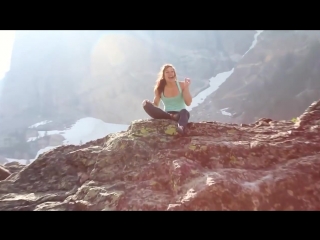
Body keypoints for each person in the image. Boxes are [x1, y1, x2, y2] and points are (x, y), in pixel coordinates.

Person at [142, 64, 192, 134]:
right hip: (166, 115)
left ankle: (181, 127)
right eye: (167, 72)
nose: (170, 74)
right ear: (163, 75)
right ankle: (172, 119)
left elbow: (188, 103)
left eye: (172, 71)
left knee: (185, 112)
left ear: (174, 73)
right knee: (145, 104)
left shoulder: (182, 85)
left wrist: (186, 87)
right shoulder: (159, 89)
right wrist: (148, 104)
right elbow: (156, 104)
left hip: (180, 115)